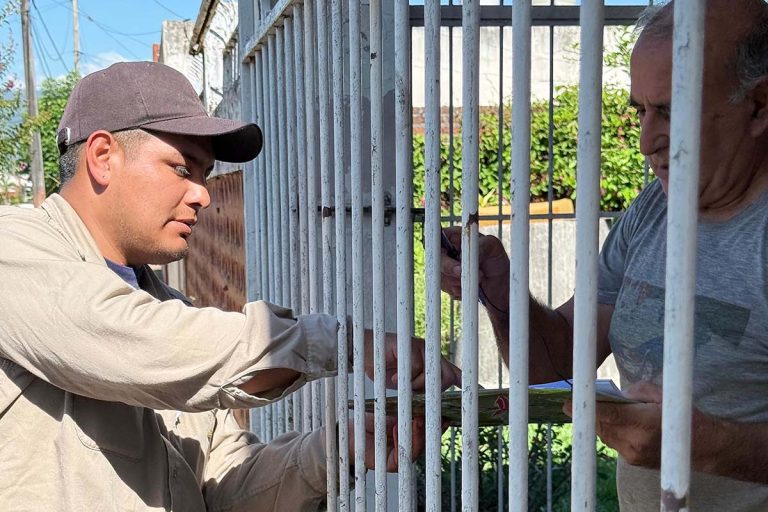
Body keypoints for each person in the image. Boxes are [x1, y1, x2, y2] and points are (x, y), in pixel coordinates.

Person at [0, 61, 460, 511]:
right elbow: (132, 338)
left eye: (205, 174)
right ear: (103, 157)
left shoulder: (166, 307)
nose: (203, 193)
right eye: (183, 169)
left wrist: (339, 450)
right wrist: (346, 344)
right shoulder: (14, 253)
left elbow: (223, 486)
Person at [441, 0, 768, 510]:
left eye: (671, 111)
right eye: (640, 111)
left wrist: (709, 446)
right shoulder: (654, 208)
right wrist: (500, 292)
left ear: (760, 104)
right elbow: (558, 363)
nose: (646, 141)